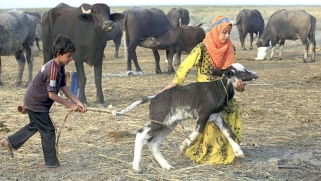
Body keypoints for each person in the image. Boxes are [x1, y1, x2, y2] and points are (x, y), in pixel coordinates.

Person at [162, 16, 246, 164]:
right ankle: (207, 153)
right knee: (208, 114)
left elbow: (234, 75)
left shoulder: (231, 49)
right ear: (215, 31)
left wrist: (239, 87)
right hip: (204, 93)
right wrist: (175, 83)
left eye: (229, 32)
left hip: (223, 92)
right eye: (224, 32)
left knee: (233, 111)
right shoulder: (202, 48)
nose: (227, 36)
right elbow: (185, 66)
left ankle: (228, 153)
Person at [1, 35, 87, 168]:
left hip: (35, 101)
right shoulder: (52, 69)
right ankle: (52, 164)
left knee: (36, 125)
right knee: (48, 130)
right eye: (69, 56)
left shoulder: (60, 66)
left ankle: (9, 141)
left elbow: (63, 86)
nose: (71, 59)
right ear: (59, 54)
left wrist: (77, 101)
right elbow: (52, 95)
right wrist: (70, 105)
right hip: (36, 103)